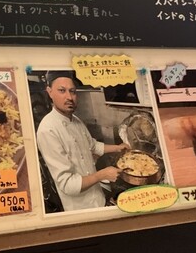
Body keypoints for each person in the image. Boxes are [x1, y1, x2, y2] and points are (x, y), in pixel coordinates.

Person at [36, 72, 129, 211]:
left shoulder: (76, 120)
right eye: (62, 90)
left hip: (98, 197)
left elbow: (93, 146)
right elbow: (67, 184)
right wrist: (102, 175)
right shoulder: (47, 130)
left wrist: (118, 148)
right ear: (50, 92)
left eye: (72, 91)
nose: (69, 97)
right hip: (80, 207)